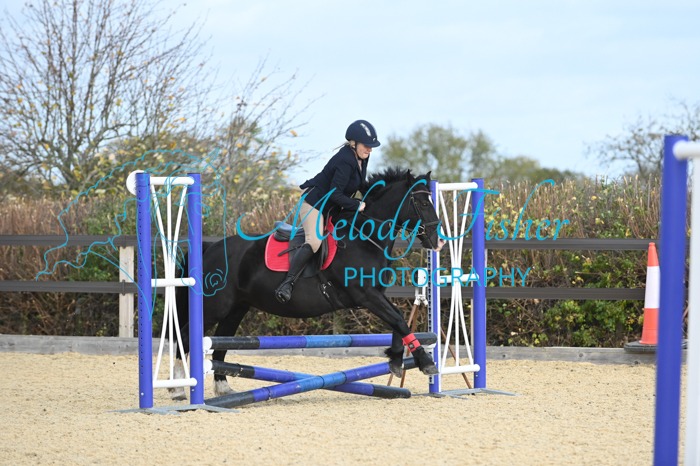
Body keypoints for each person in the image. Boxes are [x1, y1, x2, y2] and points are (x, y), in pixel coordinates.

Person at [274, 119, 381, 303]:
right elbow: (335, 194)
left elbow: (360, 184)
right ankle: (287, 283)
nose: (370, 149)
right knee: (314, 241)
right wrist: (356, 205)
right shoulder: (345, 160)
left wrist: (375, 197)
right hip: (314, 205)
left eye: (371, 146)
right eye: (366, 145)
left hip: (332, 207)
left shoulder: (361, 157)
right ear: (353, 143)